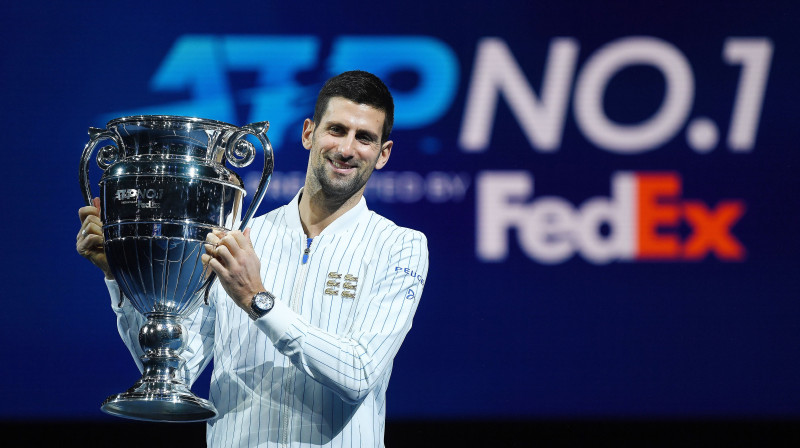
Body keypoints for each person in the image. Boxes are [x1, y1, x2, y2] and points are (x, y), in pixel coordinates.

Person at [77, 70, 429, 447]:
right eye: (337, 129)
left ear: (383, 154)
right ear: (309, 132)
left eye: (365, 138)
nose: (346, 149)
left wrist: (257, 300)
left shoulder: (400, 246)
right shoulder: (240, 236)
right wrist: (121, 278)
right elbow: (176, 368)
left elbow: (357, 374)